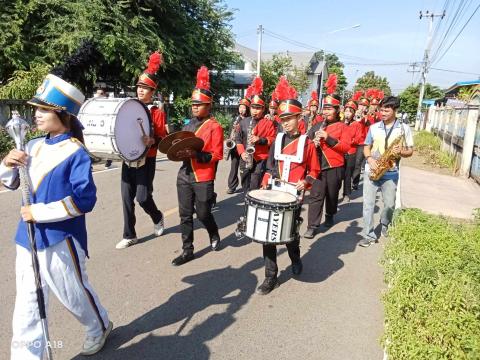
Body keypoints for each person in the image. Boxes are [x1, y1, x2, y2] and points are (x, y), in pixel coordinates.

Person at [1, 73, 112, 358]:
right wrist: (7, 163)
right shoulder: (33, 144)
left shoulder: (76, 153)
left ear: (61, 113)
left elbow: (84, 200)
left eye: (43, 109)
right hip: (26, 238)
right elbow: (11, 182)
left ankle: (98, 326)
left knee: (72, 294)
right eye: (36, 109)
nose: (35, 115)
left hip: (60, 238)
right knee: (27, 303)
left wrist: (39, 212)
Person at [257, 76, 320, 295]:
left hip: (294, 196)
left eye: (289, 118)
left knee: (290, 234)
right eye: (282, 118)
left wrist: (306, 182)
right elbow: (269, 167)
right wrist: (265, 183)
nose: (285, 122)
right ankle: (270, 276)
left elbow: (315, 171)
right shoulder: (277, 140)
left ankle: (295, 258)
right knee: (268, 236)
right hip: (275, 193)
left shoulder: (308, 144)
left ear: (298, 118)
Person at [171, 66, 224, 266]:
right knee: (185, 214)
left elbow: (217, 154)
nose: (194, 106)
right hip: (184, 174)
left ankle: (213, 231)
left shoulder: (215, 126)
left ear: (208, 105)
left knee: (203, 213)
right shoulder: (188, 125)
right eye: (193, 103)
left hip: (203, 176)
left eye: (199, 104)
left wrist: (197, 155)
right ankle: (187, 250)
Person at [116, 52, 168, 249]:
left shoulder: (157, 112)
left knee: (143, 198)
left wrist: (152, 140)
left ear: (152, 91)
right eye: (139, 87)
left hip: (147, 159)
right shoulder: (128, 108)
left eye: (145, 88)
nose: (140, 90)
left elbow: (163, 139)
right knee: (126, 197)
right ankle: (129, 234)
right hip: (127, 158)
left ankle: (157, 216)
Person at [359, 96, 414, 247]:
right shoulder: (374, 127)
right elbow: (366, 146)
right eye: (381, 110)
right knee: (368, 205)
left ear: (395, 110)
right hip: (373, 169)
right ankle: (368, 235)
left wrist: (401, 150)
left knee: (389, 204)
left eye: (386, 110)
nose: (382, 113)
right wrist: (369, 159)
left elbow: (410, 151)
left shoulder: (404, 129)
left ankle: (385, 222)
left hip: (391, 171)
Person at [303, 74, 350, 239]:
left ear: (337, 110)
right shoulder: (316, 125)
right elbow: (305, 142)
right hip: (317, 167)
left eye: (330, 109)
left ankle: (330, 214)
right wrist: (312, 143)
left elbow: (346, 148)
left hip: (334, 167)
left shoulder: (343, 127)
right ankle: (312, 225)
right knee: (315, 197)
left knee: (331, 196)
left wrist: (327, 138)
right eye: (325, 108)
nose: (326, 111)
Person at [236, 77, 276, 192]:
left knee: (254, 185)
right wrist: (242, 152)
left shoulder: (268, 123)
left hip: (260, 159)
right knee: (245, 185)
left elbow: (272, 139)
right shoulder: (243, 122)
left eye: (258, 108)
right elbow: (238, 139)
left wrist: (259, 140)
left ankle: (251, 206)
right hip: (245, 158)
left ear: (263, 109)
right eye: (253, 107)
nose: (255, 111)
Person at [226, 98, 250, 194]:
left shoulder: (249, 120)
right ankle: (232, 186)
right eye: (240, 107)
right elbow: (230, 132)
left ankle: (246, 187)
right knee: (234, 167)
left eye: (244, 108)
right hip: (235, 147)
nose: (241, 110)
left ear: (247, 109)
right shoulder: (235, 119)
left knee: (244, 168)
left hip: (244, 147)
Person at [342, 96, 363, 202]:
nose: (347, 114)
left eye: (350, 112)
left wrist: (350, 141)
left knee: (347, 174)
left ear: (353, 113)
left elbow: (358, 138)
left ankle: (346, 193)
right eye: (346, 111)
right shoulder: (340, 123)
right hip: (340, 152)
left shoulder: (357, 124)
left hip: (351, 151)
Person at [351, 92, 371, 190]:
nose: (362, 107)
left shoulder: (369, 117)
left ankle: (355, 182)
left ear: (367, 108)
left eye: (364, 106)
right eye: (361, 105)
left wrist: (365, 119)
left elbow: (369, 130)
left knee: (357, 163)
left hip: (362, 144)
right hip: (351, 142)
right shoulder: (352, 112)